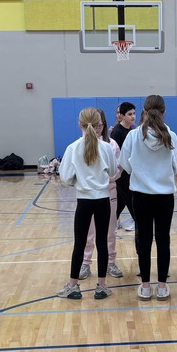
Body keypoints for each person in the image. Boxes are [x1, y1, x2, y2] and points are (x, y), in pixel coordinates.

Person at [120, 95, 177, 300]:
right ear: (163, 112)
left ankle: (145, 286)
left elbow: (125, 164)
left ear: (144, 111)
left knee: (144, 240)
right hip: (165, 197)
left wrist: (141, 174)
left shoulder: (134, 136)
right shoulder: (170, 135)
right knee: (163, 240)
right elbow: (174, 165)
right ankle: (162, 286)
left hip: (141, 195)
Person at [56, 107, 117, 301]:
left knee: (80, 244)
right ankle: (101, 286)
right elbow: (113, 171)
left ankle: (73, 286)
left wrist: (79, 181)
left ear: (79, 125)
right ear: (99, 125)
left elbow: (65, 177)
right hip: (102, 200)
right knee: (102, 242)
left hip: (83, 201)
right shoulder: (107, 147)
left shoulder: (73, 148)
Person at [77, 107, 123, 281]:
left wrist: (110, 180)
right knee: (88, 232)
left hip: (108, 193)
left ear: (104, 125)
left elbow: (118, 168)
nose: (97, 129)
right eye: (94, 126)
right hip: (87, 196)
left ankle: (111, 262)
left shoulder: (110, 145)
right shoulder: (79, 146)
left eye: (100, 126)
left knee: (110, 230)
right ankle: (86, 263)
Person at [110, 101, 137, 231]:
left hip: (131, 172)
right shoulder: (117, 131)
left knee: (120, 203)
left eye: (134, 113)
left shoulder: (133, 130)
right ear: (121, 116)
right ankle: (140, 225)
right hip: (122, 174)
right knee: (132, 202)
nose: (133, 116)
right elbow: (116, 155)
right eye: (129, 114)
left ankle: (110, 225)